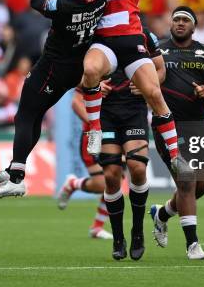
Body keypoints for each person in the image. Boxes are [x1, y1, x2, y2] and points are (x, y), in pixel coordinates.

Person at [0, 0, 108, 198]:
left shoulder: (65, 5)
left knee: (24, 115)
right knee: (36, 115)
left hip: (50, 69)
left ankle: (17, 177)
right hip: (73, 71)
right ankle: (13, 169)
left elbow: (35, 1)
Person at [70, 0, 184, 176]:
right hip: (103, 38)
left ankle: (176, 155)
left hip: (131, 37)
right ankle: (96, 131)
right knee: (89, 70)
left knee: (154, 94)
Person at [149, 7, 204, 260]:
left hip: (200, 125)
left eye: (186, 20)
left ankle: (162, 214)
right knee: (186, 180)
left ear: (194, 26)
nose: (181, 23)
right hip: (168, 125)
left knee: (200, 186)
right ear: (170, 23)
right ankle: (192, 244)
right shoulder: (158, 51)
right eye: (176, 20)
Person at [88, 25, 163, 261]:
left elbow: (160, 70)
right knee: (111, 175)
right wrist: (94, 85)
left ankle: (138, 230)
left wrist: (148, 85)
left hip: (134, 111)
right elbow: (80, 74)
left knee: (138, 168)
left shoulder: (144, 34)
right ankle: (118, 238)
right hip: (106, 112)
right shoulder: (93, 33)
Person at [55, 89, 113, 241]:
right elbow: (76, 102)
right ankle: (74, 184)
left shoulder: (131, 70)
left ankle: (97, 227)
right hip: (93, 136)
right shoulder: (96, 70)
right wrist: (94, 124)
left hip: (121, 133)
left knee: (115, 182)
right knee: (103, 184)